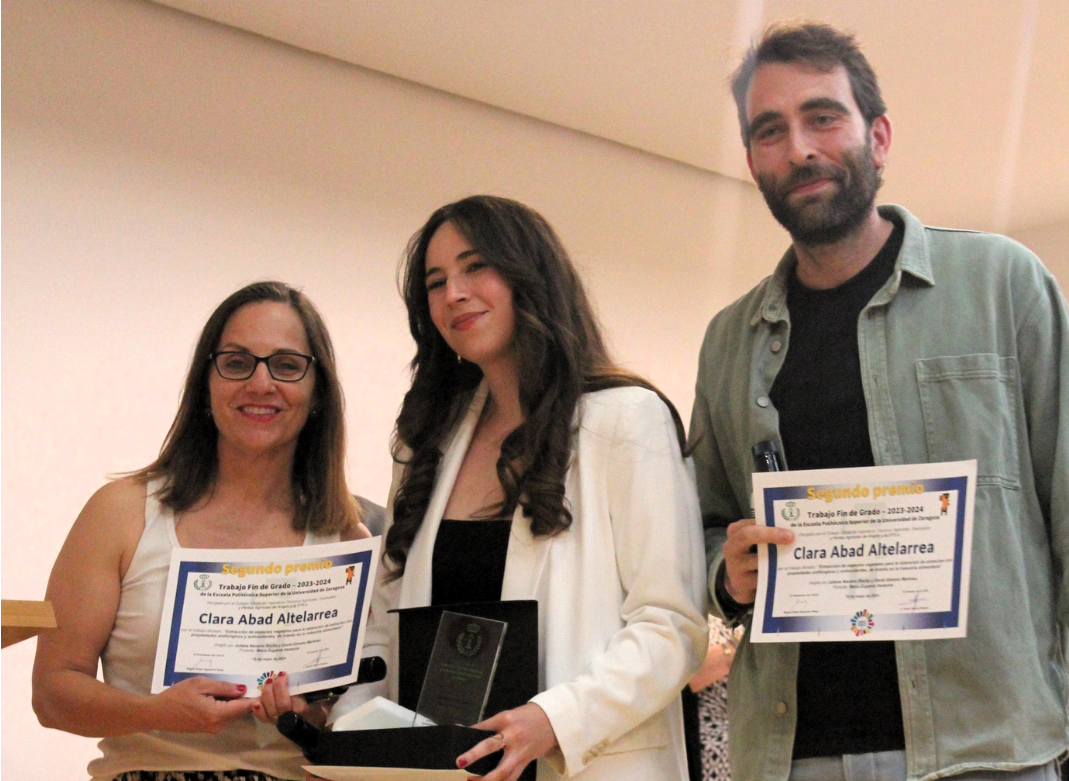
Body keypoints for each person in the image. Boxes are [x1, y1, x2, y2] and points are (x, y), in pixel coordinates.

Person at [690, 22, 1068, 781]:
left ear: (879, 136)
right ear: (751, 161)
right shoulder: (728, 341)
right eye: (770, 130)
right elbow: (699, 524)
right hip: (792, 755)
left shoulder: (1002, 283)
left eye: (822, 116)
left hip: (986, 752)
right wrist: (724, 575)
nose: (799, 147)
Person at [330, 195, 708, 781]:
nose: (453, 292)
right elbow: (386, 621)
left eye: (475, 265)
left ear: (531, 276)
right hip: (445, 769)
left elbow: (671, 626)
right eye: (435, 281)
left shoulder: (626, 420)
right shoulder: (425, 442)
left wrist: (551, 720)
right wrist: (348, 731)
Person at [32, 281, 375, 781]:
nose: (261, 384)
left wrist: (304, 718)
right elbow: (52, 695)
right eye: (236, 363)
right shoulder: (122, 513)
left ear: (317, 390)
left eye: (286, 365)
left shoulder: (346, 541)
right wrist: (160, 713)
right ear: (205, 383)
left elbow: (350, 714)